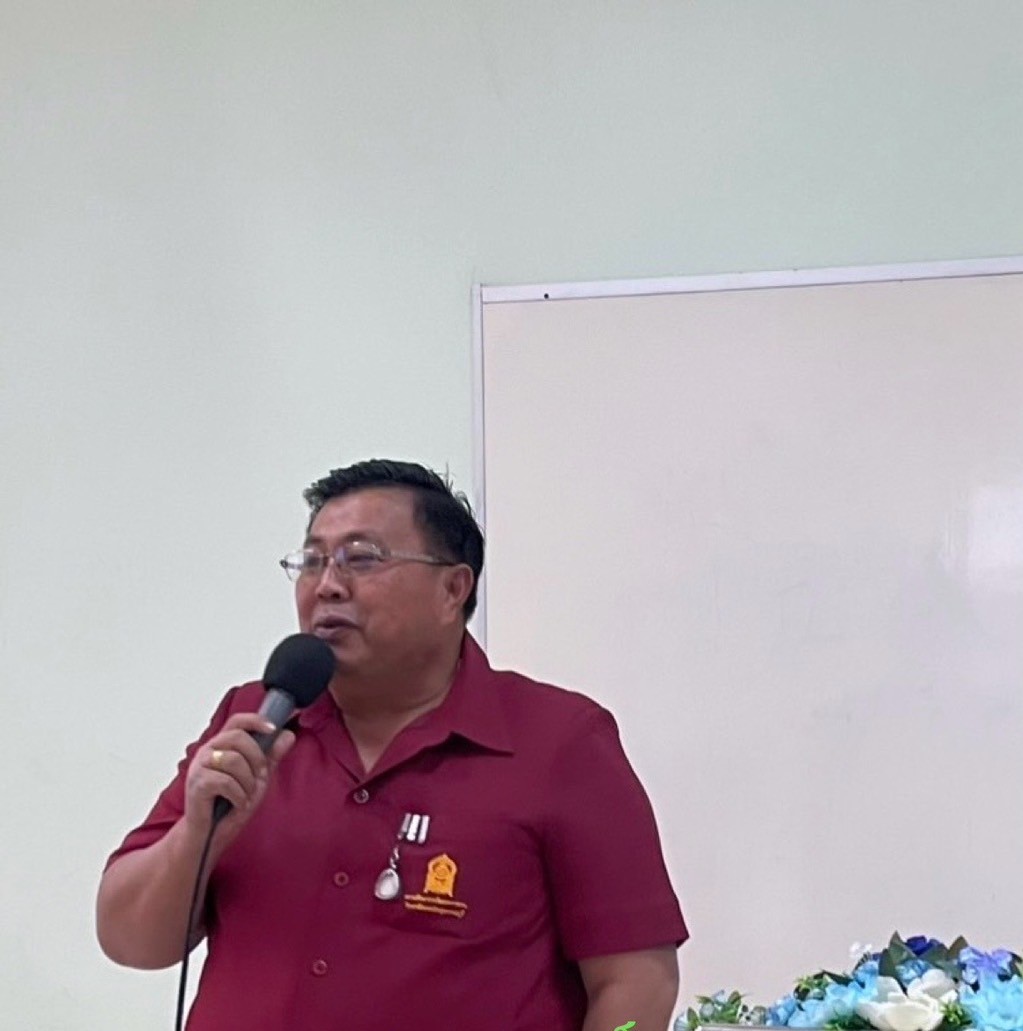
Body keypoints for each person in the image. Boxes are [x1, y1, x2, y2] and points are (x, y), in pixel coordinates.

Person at [96, 459, 687, 1030]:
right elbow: (129, 940)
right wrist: (200, 832)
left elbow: (638, 986)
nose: (327, 586)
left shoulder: (559, 740)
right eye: (311, 561)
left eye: (361, 558)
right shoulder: (254, 723)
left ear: (453, 588)